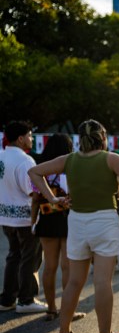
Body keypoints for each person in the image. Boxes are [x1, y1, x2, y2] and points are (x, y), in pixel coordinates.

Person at [28, 119, 119, 333]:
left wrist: (53, 199)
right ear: (103, 137)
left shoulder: (69, 160)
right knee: (102, 282)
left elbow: (34, 172)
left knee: (74, 282)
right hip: (104, 222)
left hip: (76, 222)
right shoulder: (111, 159)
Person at [31, 133, 85, 321]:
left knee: (49, 266)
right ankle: (67, 310)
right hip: (68, 218)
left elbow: (35, 199)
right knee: (67, 266)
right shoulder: (72, 167)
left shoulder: (43, 169)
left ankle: (51, 308)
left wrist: (32, 222)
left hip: (47, 218)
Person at [0, 121, 47, 313]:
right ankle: (26, 300)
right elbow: (32, 192)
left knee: (13, 256)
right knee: (30, 257)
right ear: (20, 139)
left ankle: (7, 299)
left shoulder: (1, 156)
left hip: (5, 216)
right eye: (29, 135)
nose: (32, 139)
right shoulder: (25, 161)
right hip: (25, 217)